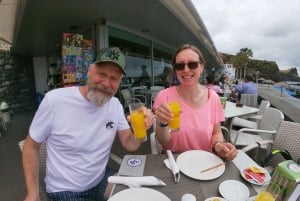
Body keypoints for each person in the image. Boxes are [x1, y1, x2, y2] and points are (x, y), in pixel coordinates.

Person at [22, 47, 153, 201]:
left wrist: (140, 130)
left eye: (114, 78)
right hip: (65, 190)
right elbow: (30, 147)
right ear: (89, 71)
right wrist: (33, 193)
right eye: (102, 74)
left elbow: (129, 144)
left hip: (100, 180)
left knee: (139, 196)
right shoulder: (55, 101)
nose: (106, 83)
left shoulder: (115, 105)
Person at [153, 44, 237, 160]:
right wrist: (162, 123)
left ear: (201, 67)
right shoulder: (164, 96)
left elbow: (216, 133)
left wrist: (218, 145)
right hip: (173, 161)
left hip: (203, 161)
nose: (186, 70)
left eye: (192, 64)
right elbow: (163, 140)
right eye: (180, 66)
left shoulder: (213, 98)